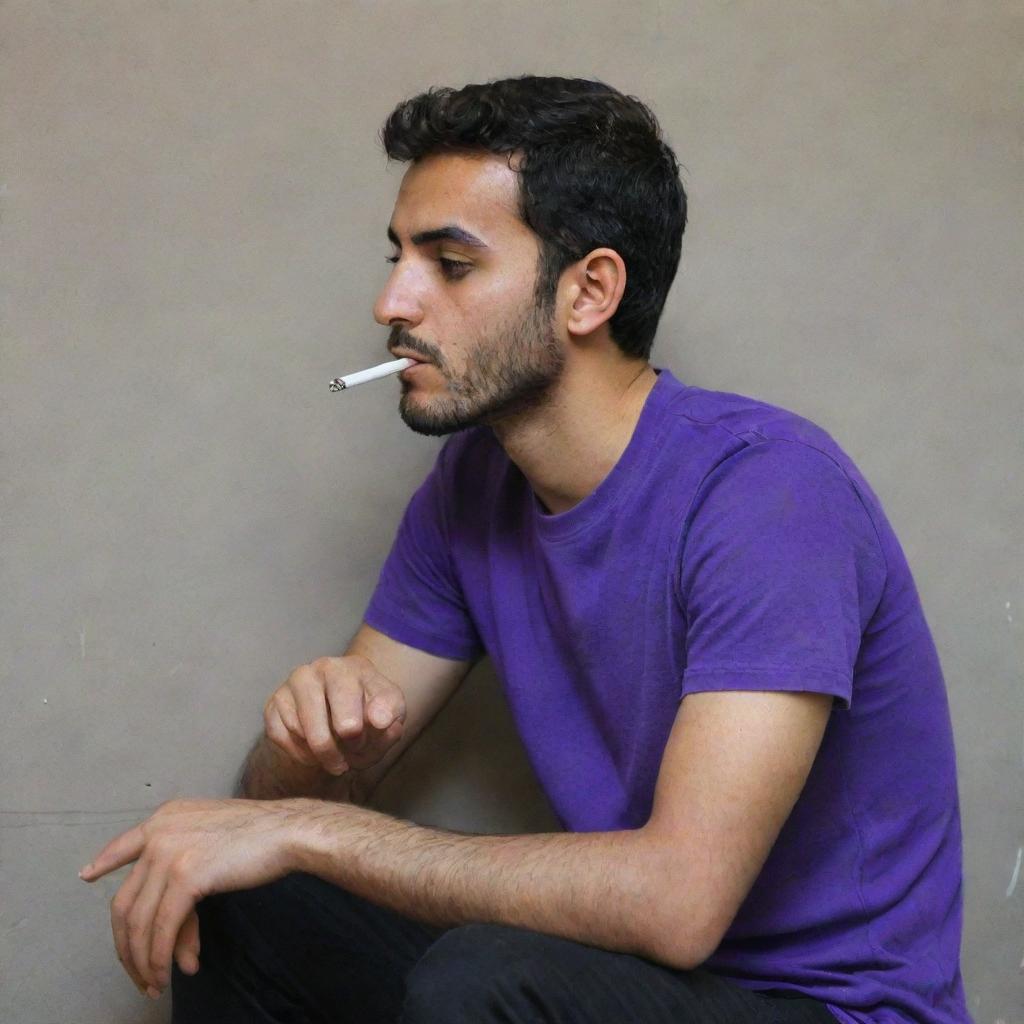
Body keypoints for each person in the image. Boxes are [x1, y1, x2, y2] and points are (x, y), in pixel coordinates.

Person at [80, 76, 973, 1024]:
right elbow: (310, 788)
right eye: (398, 258)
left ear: (589, 290)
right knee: (234, 893)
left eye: (450, 265)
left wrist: (304, 829)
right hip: (635, 987)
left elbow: (678, 904)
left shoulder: (769, 492)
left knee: (479, 980)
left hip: (829, 1011)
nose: (393, 300)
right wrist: (304, 761)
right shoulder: (473, 488)